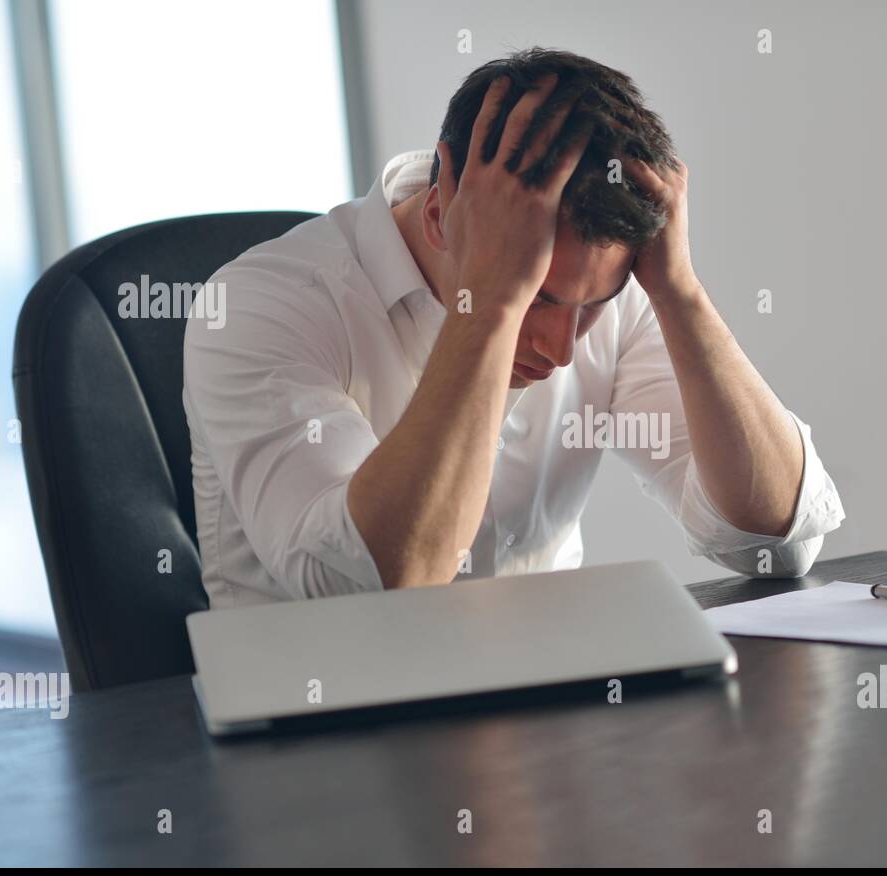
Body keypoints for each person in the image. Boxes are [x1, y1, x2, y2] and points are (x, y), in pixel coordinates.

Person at [183, 48, 845, 608]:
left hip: (548, 727)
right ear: (442, 212)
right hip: (319, 745)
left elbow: (775, 544)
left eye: (590, 307)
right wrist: (492, 303)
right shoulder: (255, 305)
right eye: (539, 299)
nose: (561, 349)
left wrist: (680, 293)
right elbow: (377, 588)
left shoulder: (604, 290)